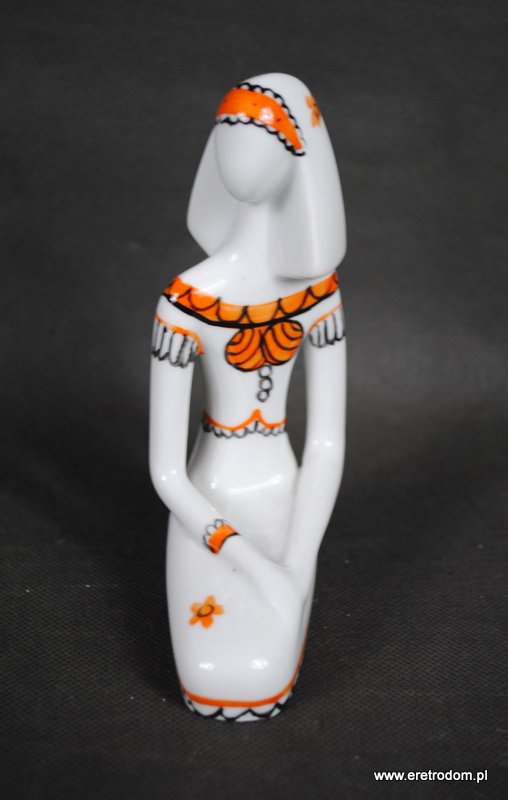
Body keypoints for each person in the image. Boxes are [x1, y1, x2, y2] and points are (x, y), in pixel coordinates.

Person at [150, 73, 347, 721]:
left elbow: (326, 444)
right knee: (214, 672)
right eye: (228, 130)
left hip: (287, 502)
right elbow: (166, 473)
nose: (240, 149)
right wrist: (262, 572)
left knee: (263, 664)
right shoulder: (184, 303)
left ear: (299, 155)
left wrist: (298, 560)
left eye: (260, 133)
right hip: (204, 510)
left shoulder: (318, 296)